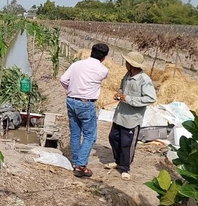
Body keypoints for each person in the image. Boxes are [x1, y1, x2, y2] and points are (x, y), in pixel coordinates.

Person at [59, 43, 110, 177]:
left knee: (75, 133)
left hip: (71, 100)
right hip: (86, 104)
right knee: (90, 136)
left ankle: (76, 162)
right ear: (104, 57)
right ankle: (81, 165)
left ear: (91, 52)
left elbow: (63, 79)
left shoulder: (76, 64)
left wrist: (71, 89)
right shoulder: (103, 70)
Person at [105, 51, 156, 180]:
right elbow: (122, 88)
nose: (126, 64)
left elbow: (150, 98)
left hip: (132, 118)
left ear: (132, 64)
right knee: (113, 137)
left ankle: (125, 168)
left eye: (127, 62)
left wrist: (128, 99)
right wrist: (119, 94)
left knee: (127, 144)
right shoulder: (127, 75)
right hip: (120, 115)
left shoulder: (144, 80)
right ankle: (118, 161)